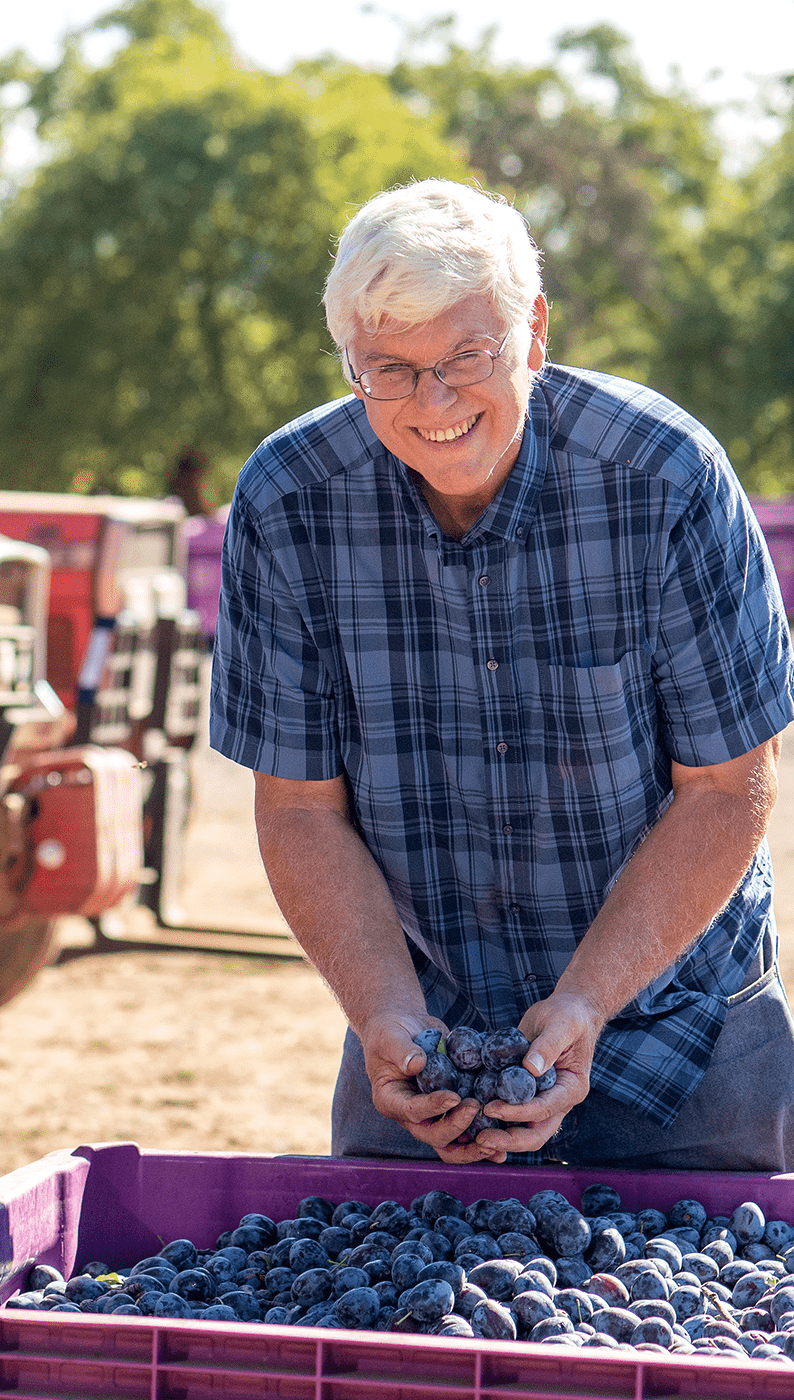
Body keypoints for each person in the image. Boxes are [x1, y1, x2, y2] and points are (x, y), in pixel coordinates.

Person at [211, 178, 794, 1170]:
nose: (431, 402)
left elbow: (726, 788)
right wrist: (383, 1009)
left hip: (680, 1031)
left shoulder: (664, 477)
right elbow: (300, 811)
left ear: (531, 330)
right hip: (422, 1039)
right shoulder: (286, 499)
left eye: (464, 357)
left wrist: (583, 1001)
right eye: (386, 368)